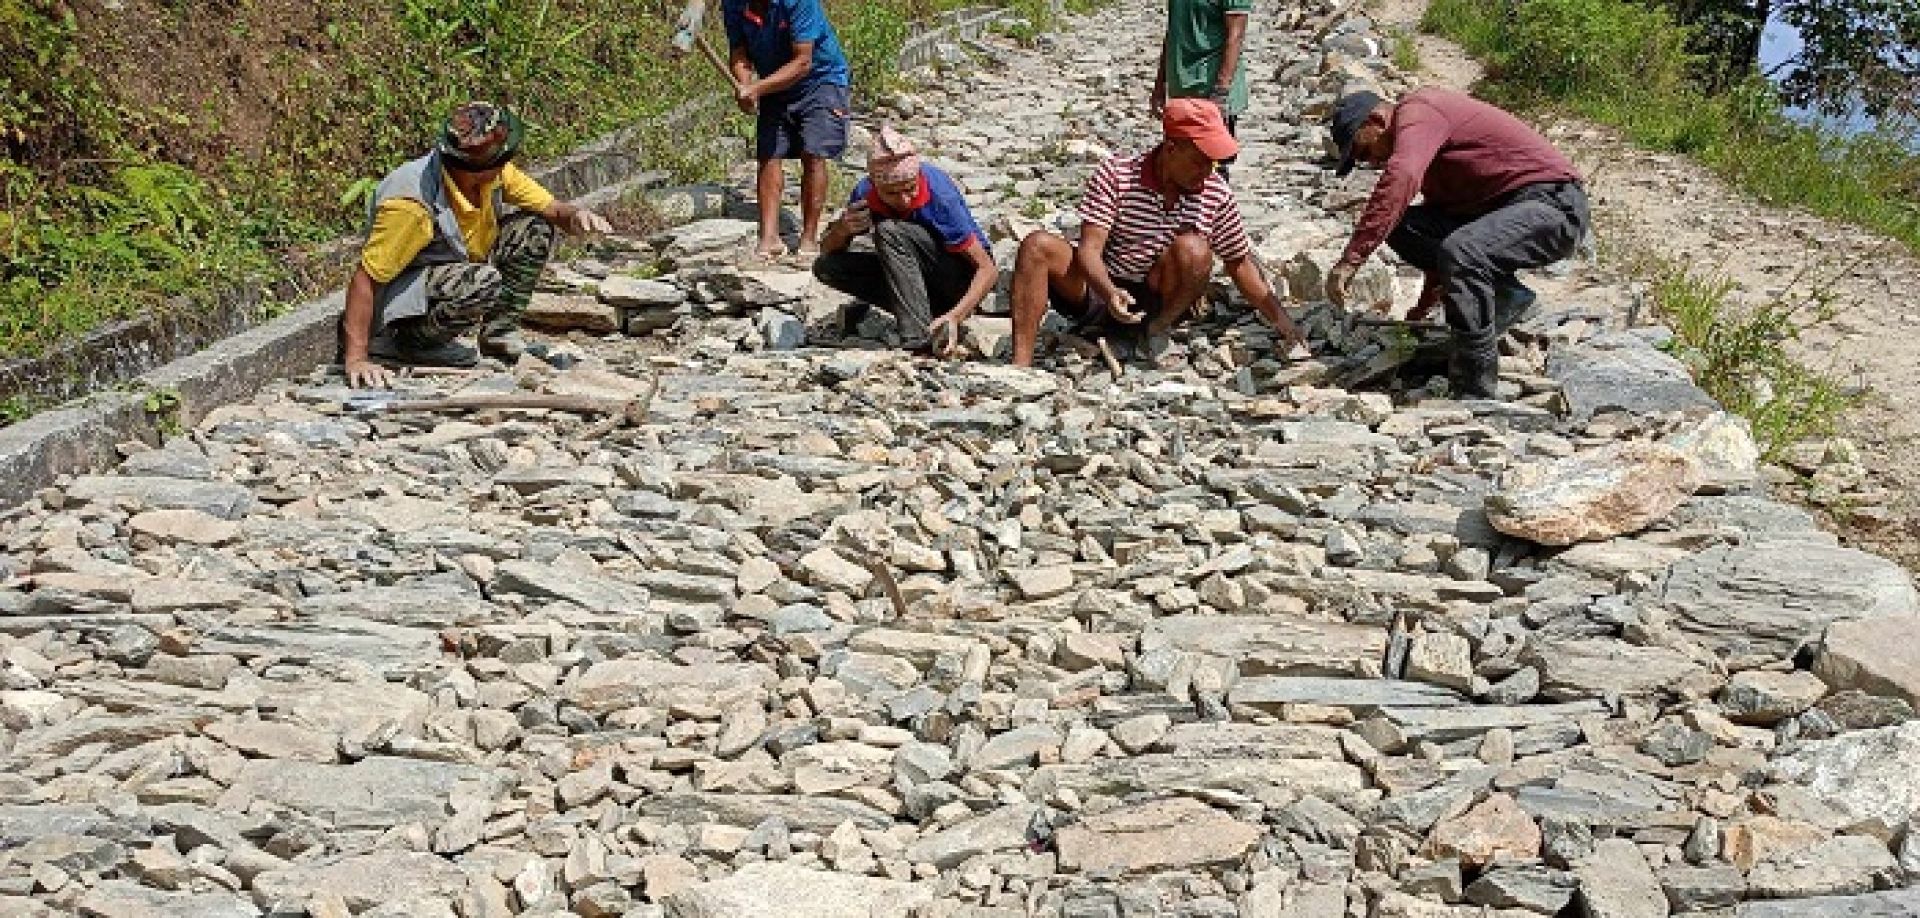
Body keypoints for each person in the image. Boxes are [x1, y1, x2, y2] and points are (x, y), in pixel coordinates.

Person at [1322, 88, 1589, 398]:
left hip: (1554, 207)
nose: (1371, 163)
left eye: (1364, 152)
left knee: (1463, 251)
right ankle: (1504, 296)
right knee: (1403, 226)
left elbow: (1402, 176)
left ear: (1376, 120)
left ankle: (1475, 385)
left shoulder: (1419, 110)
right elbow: (1439, 239)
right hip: (1510, 211)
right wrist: (1423, 306)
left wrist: (1351, 260)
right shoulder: (1435, 156)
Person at [1008, 98, 1307, 367]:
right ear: (1171, 148)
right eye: (1200, 161)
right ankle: (1021, 366)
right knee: (1037, 246)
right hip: (1102, 288)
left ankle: (1156, 330)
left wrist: (1283, 322)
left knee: (1195, 249)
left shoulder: (1216, 193)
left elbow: (1239, 263)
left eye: (1214, 163)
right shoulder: (1117, 174)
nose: (1207, 171)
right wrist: (1110, 292)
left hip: (1160, 296)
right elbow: (1089, 250)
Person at [339, 102, 611, 388]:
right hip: (401, 302)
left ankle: (499, 334)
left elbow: (553, 210)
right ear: (478, 168)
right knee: (482, 282)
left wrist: (577, 217)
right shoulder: (410, 205)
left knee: (534, 229)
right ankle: (404, 345)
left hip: (451, 273)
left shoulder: (495, 174)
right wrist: (356, 357)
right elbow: (364, 280)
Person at [812, 127, 998, 354]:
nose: (904, 200)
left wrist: (956, 316)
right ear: (875, 185)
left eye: (910, 190)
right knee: (827, 267)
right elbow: (828, 250)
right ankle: (922, 317)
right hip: (915, 278)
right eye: (892, 194)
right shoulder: (864, 194)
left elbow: (987, 268)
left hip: (958, 277)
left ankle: (918, 337)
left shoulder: (940, 197)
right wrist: (841, 230)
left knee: (890, 232)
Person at [725, 0, 852, 260]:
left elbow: (803, 61)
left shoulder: (799, 2)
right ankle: (769, 237)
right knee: (769, 153)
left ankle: (809, 238)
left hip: (820, 79)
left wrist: (757, 88)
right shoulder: (733, 4)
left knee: (813, 152)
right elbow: (739, 51)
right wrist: (744, 84)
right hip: (774, 80)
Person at [1151, 0, 1251, 176]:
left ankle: (1216, 203)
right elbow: (1173, 31)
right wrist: (1160, 84)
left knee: (1212, 165)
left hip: (1210, 88)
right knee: (1179, 161)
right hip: (1181, 89)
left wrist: (1221, 91)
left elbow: (1235, 35)